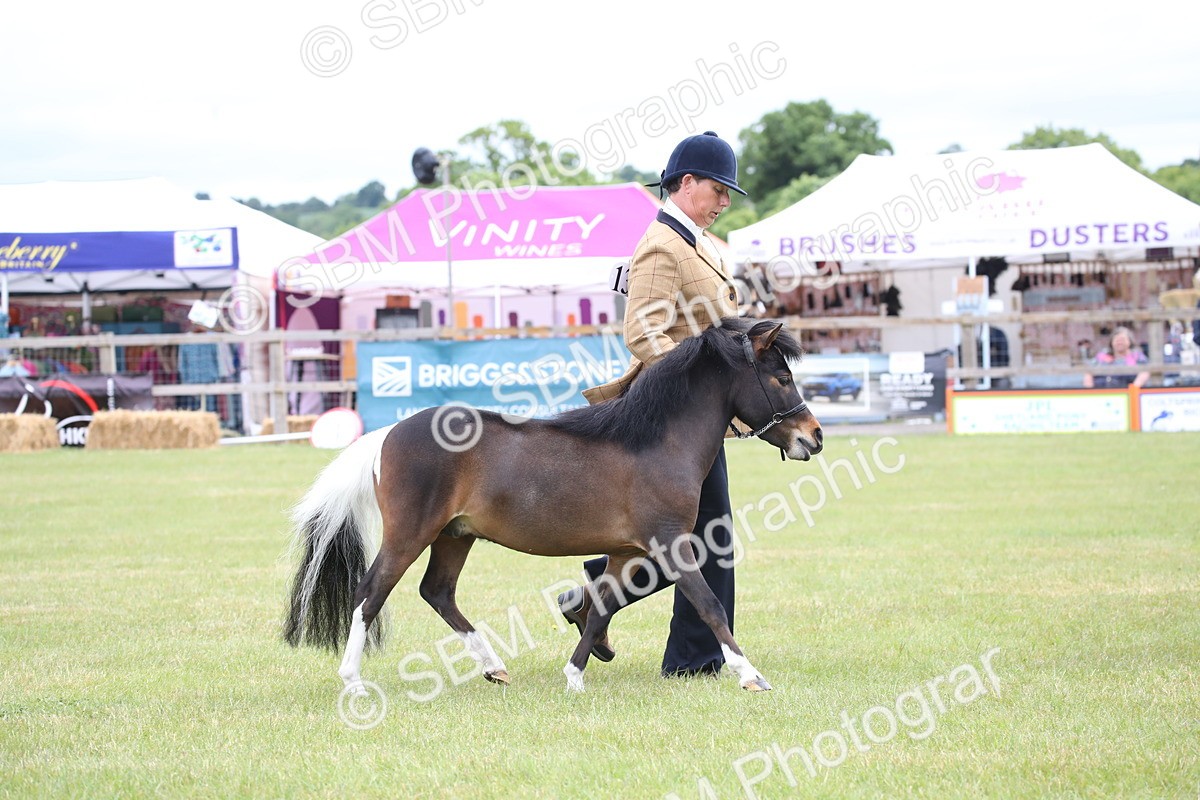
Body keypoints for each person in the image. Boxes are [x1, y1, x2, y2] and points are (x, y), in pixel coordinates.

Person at [560, 131, 746, 678]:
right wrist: (693, 394)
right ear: (686, 185)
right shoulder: (662, 246)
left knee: (703, 537)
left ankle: (599, 594)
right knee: (705, 538)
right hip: (675, 420)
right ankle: (692, 659)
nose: (724, 202)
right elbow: (643, 333)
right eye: (718, 190)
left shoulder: (697, 242)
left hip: (698, 422)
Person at [1083, 326, 1150, 388]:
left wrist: (1133, 388)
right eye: (1117, 340)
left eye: (1122, 340)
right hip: (1101, 394)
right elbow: (1089, 371)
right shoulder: (1102, 355)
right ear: (1111, 342)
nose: (1119, 342)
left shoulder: (1136, 356)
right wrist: (1089, 390)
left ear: (1129, 341)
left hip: (1127, 392)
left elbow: (1145, 372)